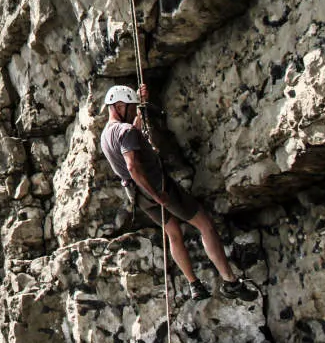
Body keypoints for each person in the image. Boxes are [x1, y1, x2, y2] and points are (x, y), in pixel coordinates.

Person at [99, 84, 259, 301]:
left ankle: (194, 284)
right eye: (131, 106)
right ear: (119, 106)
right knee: (205, 225)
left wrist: (141, 107)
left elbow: (133, 136)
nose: (133, 109)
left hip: (139, 196)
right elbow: (132, 166)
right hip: (158, 188)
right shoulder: (124, 131)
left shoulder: (106, 135)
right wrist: (157, 194)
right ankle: (230, 281)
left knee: (173, 233)